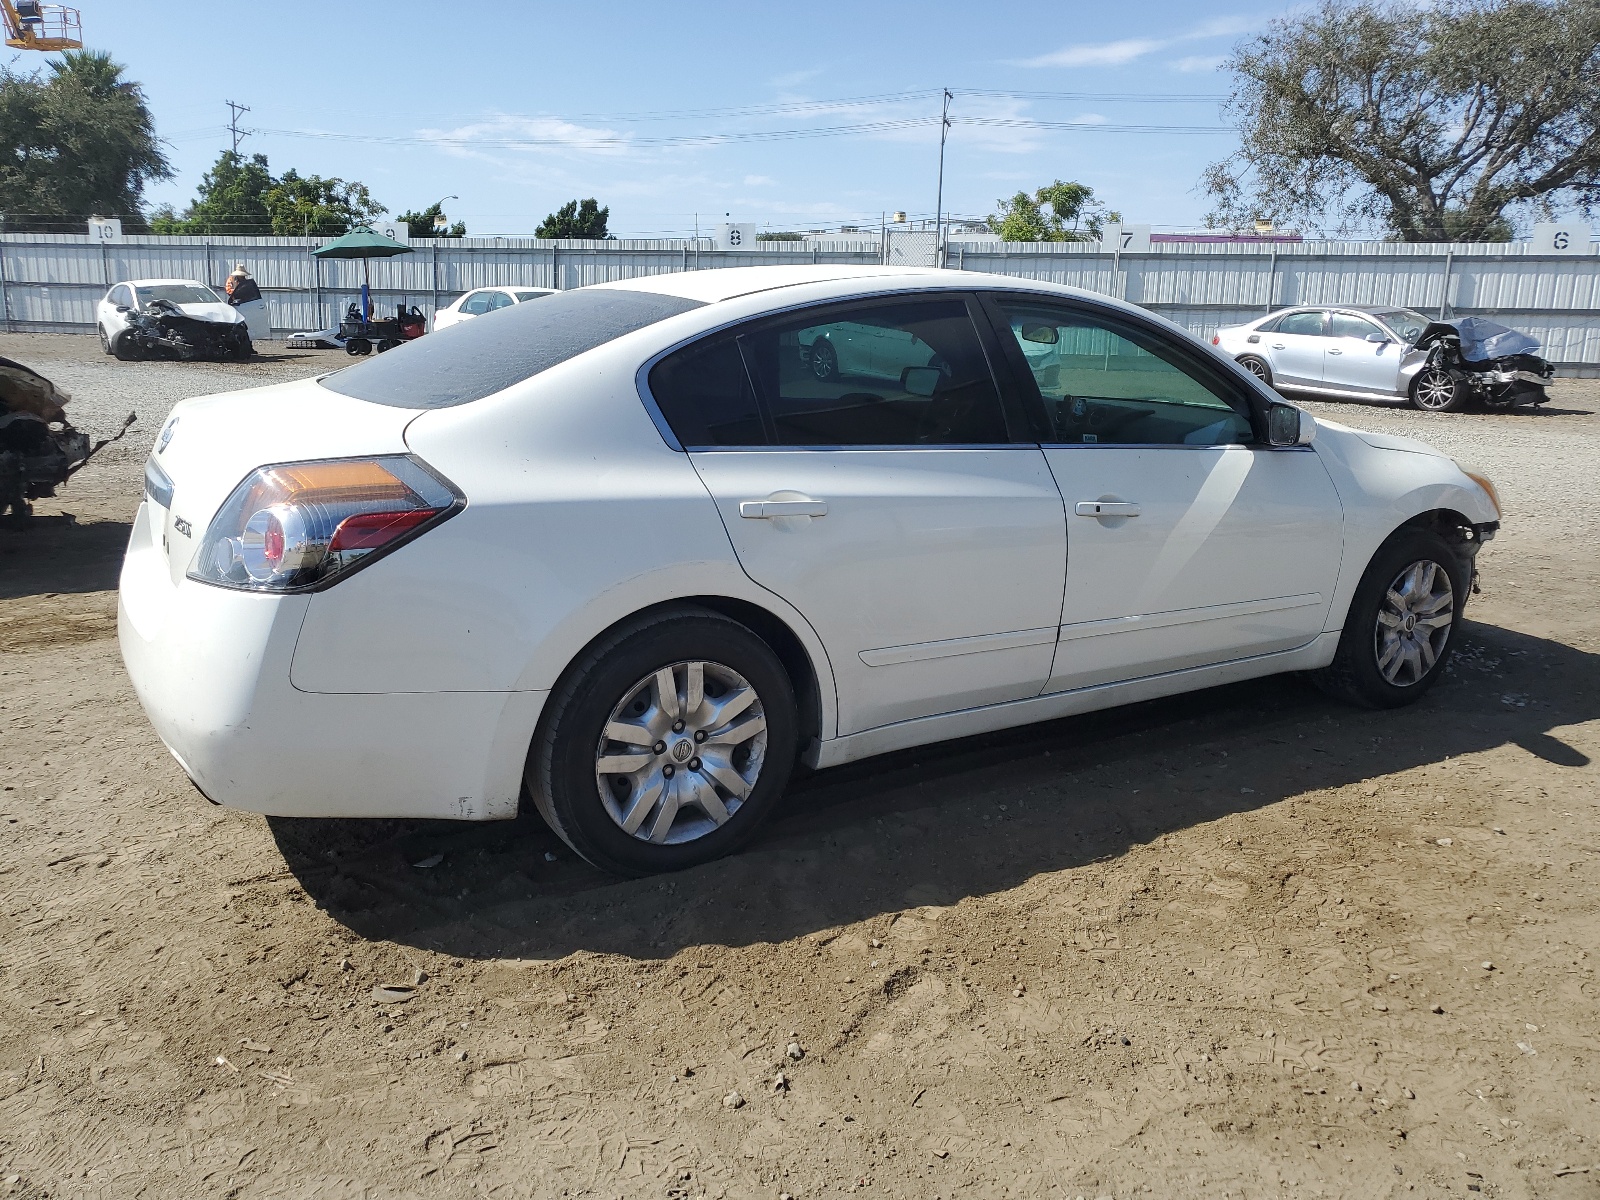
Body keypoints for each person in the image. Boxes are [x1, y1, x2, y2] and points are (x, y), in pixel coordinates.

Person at [224, 264, 269, 344]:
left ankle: (249, 345)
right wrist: (236, 292)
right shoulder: (230, 281)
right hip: (237, 305)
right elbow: (229, 291)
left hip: (246, 304)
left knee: (249, 326)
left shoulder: (247, 283)